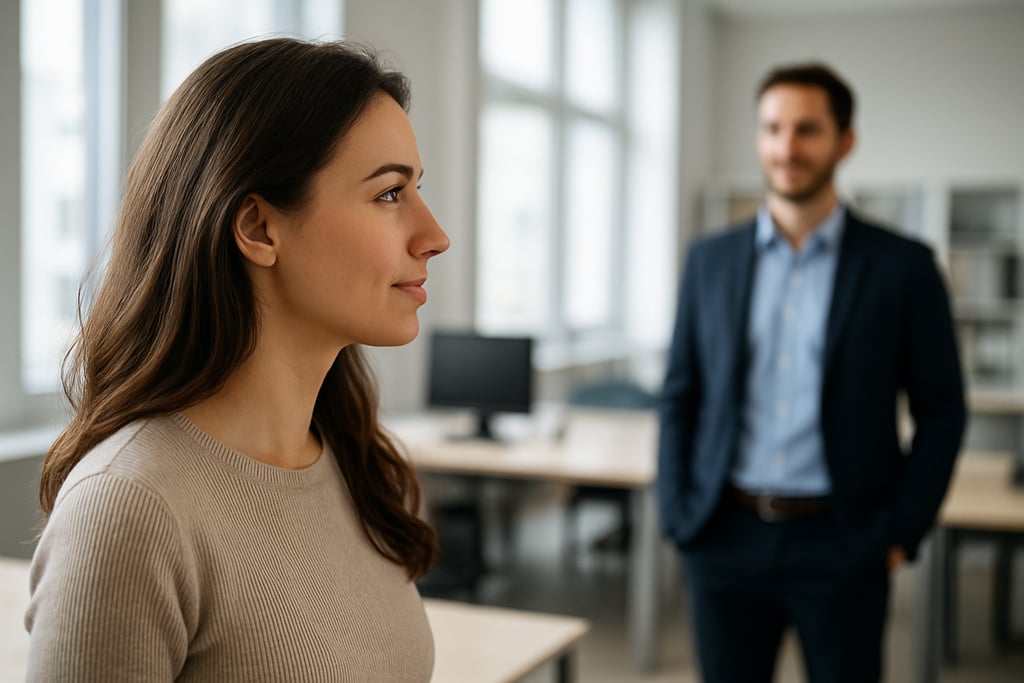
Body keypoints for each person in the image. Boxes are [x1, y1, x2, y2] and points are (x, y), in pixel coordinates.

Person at [25, 38, 450, 681]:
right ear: (257, 228)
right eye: (390, 194)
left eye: (416, 189)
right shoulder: (129, 509)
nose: (435, 236)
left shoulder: (348, 457)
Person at [657, 62, 966, 682]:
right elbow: (681, 397)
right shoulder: (709, 261)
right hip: (724, 535)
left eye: (807, 130)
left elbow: (942, 409)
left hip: (845, 540)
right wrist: (678, 512)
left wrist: (902, 529)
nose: (786, 147)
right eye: (773, 128)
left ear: (844, 142)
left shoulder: (903, 267)